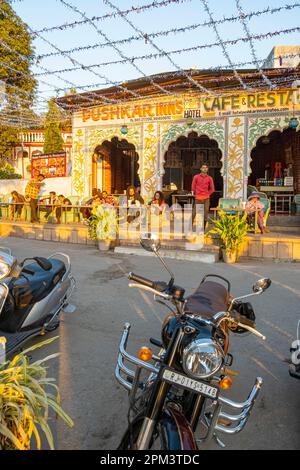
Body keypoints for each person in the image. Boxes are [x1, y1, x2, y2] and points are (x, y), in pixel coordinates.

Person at [191, 164, 215, 229]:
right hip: (198, 198)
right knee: (194, 213)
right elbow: (193, 187)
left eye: (206, 168)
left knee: (205, 214)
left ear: (207, 169)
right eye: (203, 167)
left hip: (206, 199)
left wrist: (207, 194)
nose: (204, 169)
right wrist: (196, 194)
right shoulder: (196, 177)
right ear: (200, 169)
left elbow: (212, 189)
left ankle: (203, 229)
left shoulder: (209, 178)